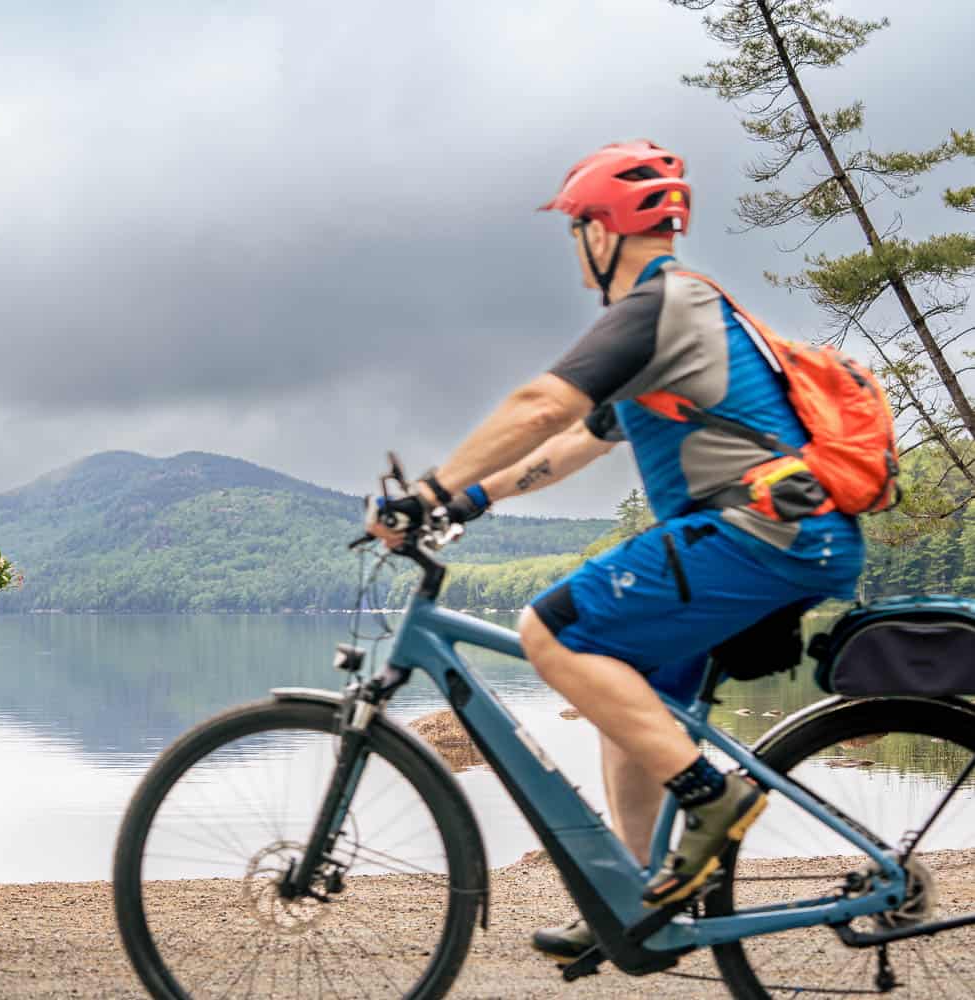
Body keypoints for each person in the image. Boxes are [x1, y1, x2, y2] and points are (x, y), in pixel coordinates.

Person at [367, 140, 864, 963]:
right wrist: (468, 499)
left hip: (762, 536)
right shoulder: (674, 324)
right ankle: (634, 896)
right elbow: (568, 442)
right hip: (773, 540)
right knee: (622, 696)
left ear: (605, 229)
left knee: (552, 631)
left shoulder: (660, 306)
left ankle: (713, 798)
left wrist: (422, 490)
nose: (575, 247)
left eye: (576, 229)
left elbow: (537, 406)